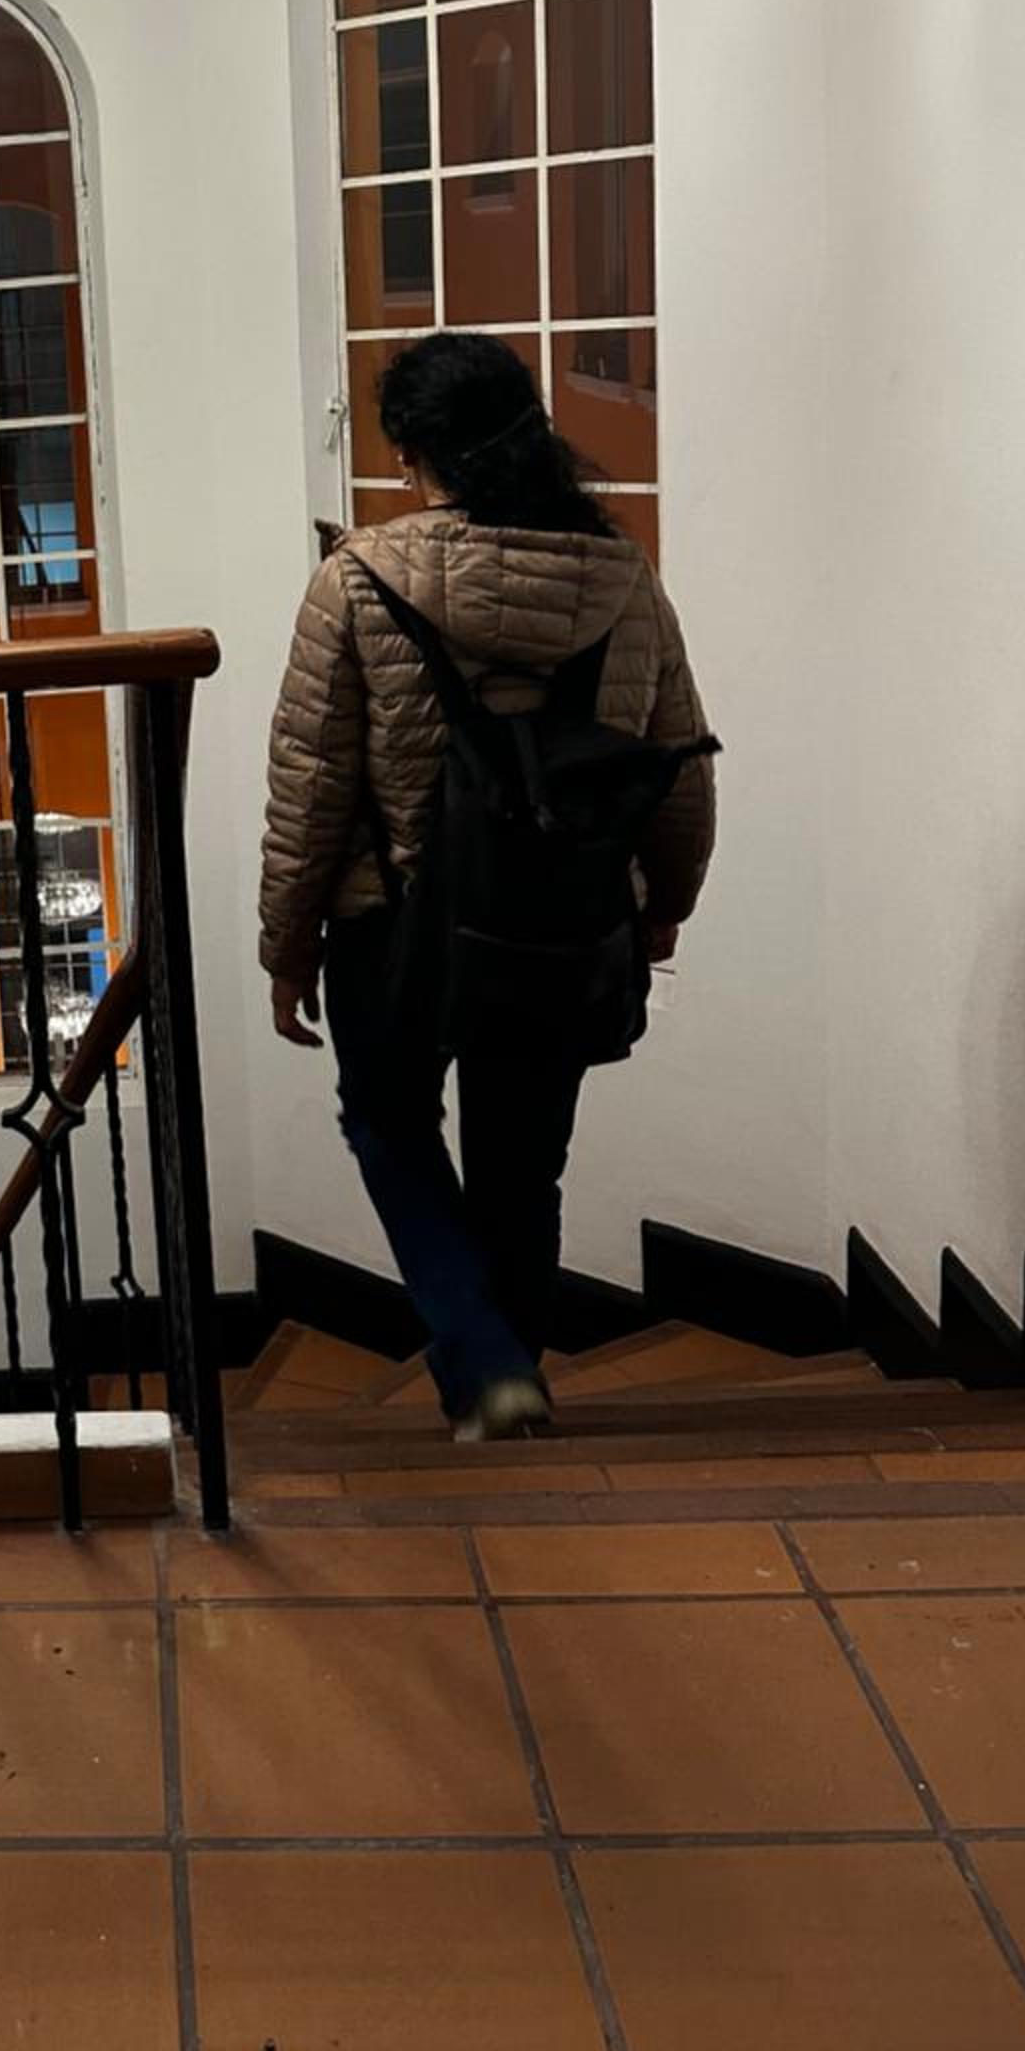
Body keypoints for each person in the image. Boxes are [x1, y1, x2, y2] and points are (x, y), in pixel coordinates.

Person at [258, 333, 716, 1440]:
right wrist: (664, 905)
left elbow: (312, 786)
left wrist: (288, 948)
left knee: (388, 1122)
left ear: (413, 454)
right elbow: (678, 768)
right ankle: (511, 1375)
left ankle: (484, 1360)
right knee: (521, 1163)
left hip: (394, 924)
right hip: (562, 923)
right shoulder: (624, 582)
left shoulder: (355, 581)